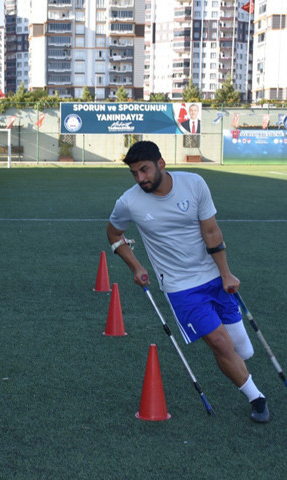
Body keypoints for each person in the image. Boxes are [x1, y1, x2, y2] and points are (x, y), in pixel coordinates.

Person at [106, 140, 269, 423]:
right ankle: (257, 398)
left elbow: (211, 231)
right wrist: (135, 265)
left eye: (144, 170)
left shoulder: (194, 184)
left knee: (242, 349)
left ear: (161, 164)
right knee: (219, 343)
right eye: (134, 173)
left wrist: (226, 273)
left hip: (214, 277)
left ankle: (239, 366)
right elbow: (113, 234)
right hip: (179, 287)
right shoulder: (129, 202)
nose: (140, 178)